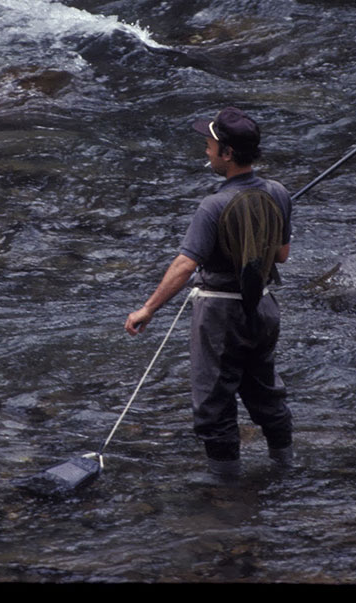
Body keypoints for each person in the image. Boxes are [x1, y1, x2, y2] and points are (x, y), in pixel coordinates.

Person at [124, 106, 294, 480]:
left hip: (220, 314)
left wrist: (148, 309)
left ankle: (225, 489)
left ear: (228, 153)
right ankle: (286, 467)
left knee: (214, 405)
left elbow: (185, 265)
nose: (206, 151)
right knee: (265, 393)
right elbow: (281, 255)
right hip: (264, 308)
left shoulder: (213, 205)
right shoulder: (278, 192)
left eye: (210, 145)